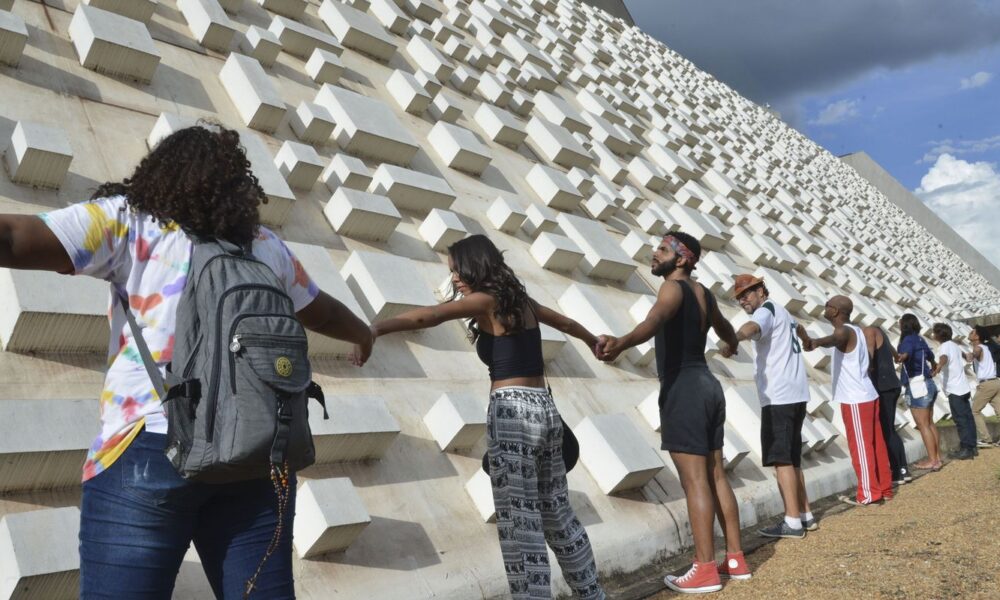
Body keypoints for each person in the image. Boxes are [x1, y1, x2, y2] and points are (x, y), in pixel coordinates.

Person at [0, 124, 374, 598]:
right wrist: (363, 334)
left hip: (148, 448)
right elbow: (323, 311)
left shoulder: (132, 221)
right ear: (238, 184)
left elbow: (12, 237)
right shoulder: (266, 248)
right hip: (255, 456)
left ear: (162, 172)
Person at [360, 234, 605, 600]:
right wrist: (594, 341)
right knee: (557, 512)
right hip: (545, 410)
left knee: (519, 522)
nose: (455, 278)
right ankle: (592, 594)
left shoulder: (485, 301)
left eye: (457, 270)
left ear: (475, 265)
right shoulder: (521, 301)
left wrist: (375, 328)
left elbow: (432, 315)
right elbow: (567, 324)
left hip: (511, 414)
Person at [597, 231, 748, 594]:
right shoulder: (704, 293)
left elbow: (654, 321)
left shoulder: (672, 288)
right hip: (708, 385)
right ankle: (736, 559)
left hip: (684, 387)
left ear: (682, 259)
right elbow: (726, 330)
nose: (654, 253)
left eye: (663, 250)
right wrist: (731, 343)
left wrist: (620, 342)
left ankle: (705, 569)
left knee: (695, 480)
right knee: (716, 474)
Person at [728, 274, 815, 539]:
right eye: (739, 296)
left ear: (761, 291)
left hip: (778, 395)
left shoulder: (765, 311)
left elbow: (752, 328)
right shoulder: (783, 311)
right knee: (792, 459)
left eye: (747, 293)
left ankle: (792, 522)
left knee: (782, 461)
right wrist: (808, 341)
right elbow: (799, 328)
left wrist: (734, 339)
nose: (743, 299)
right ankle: (805, 515)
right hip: (797, 393)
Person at [802, 296, 893, 506]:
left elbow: (836, 338)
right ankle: (884, 488)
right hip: (867, 394)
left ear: (834, 311)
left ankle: (869, 494)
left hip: (855, 399)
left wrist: (815, 342)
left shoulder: (844, 331)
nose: (824, 308)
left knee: (861, 447)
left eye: (827, 306)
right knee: (876, 444)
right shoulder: (858, 331)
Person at [865, 325, 911, 485]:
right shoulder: (880, 333)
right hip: (892, 384)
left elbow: (869, 355)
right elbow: (897, 357)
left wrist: (866, 368)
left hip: (883, 386)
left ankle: (897, 471)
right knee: (890, 429)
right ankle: (903, 469)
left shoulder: (869, 331)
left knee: (887, 430)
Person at [896, 314, 941, 471]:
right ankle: (937, 458)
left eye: (900, 322)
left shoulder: (907, 339)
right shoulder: (920, 339)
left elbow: (906, 353)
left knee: (922, 425)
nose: (899, 324)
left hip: (917, 385)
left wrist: (900, 357)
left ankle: (932, 460)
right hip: (929, 383)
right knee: (929, 423)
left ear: (905, 324)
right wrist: (934, 365)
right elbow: (931, 356)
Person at [930, 323, 976, 460]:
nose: (933, 335)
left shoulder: (944, 347)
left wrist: (938, 367)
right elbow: (963, 355)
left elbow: (944, 358)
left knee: (960, 419)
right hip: (963, 387)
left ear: (939, 335)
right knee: (968, 418)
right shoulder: (955, 345)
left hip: (954, 389)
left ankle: (966, 449)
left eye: (934, 333)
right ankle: (972, 447)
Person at [966, 325, 1000, 447]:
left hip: (986, 385)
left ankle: (986, 439)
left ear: (977, 336)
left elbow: (975, 353)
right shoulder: (986, 347)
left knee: (975, 411)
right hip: (995, 382)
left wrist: (971, 356)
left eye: (973, 332)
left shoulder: (979, 348)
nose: (970, 333)